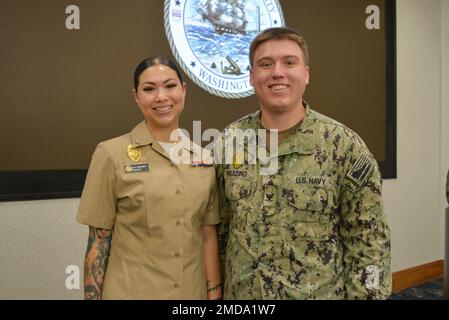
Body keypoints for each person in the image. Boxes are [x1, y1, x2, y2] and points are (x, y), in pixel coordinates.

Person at [216, 27, 391, 299]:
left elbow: (369, 243)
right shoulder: (228, 143)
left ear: (306, 74)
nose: (277, 72)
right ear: (251, 76)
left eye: (289, 62)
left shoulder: (344, 146)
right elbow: (220, 233)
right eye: (265, 64)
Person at [77, 57, 222, 300]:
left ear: (184, 91)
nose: (161, 97)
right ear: (136, 96)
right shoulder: (110, 154)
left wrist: (214, 295)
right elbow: (98, 241)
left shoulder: (204, 159)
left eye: (170, 86)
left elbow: (208, 237)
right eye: (149, 89)